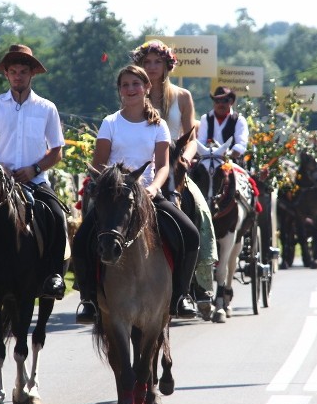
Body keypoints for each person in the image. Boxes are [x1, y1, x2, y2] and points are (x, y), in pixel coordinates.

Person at [73, 64, 200, 324]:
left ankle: (181, 294)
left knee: (190, 233)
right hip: (115, 197)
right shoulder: (110, 123)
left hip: (148, 193)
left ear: (146, 88)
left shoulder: (159, 125)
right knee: (82, 238)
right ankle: (88, 298)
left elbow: (164, 166)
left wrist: (153, 188)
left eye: (135, 84)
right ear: (120, 91)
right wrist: (109, 186)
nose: (130, 89)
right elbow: (99, 165)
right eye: (125, 85)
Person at [0, 44, 68, 300]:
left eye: (23, 71)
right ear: (6, 74)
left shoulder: (46, 108)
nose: (18, 76)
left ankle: (54, 275)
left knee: (56, 215)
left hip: (35, 180)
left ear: (32, 75)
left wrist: (35, 168)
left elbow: (56, 151)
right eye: (13, 71)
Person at [130, 39, 215, 311]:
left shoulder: (182, 96)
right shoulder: (134, 93)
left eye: (157, 62)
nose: (152, 67)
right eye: (147, 62)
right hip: (142, 166)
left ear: (168, 65)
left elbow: (191, 136)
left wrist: (186, 158)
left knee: (201, 212)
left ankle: (196, 286)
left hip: (175, 164)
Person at [196, 86, 249, 161]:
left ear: (231, 102)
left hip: (231, 162)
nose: (220, 104)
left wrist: (228, 154)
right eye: (217, 101)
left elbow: (241, 144)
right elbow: (201, 142)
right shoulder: (205, 119)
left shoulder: (239, 120)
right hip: (208, 161)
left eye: (224, 100)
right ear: (214, 102)